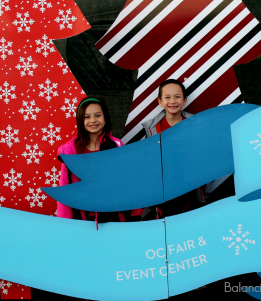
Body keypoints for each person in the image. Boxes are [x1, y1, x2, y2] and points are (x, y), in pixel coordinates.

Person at [55, 97, 142, 225]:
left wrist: (135, 214)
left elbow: (129, 182)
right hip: (83, 222)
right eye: (87, 117)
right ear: (80, 120)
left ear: (105, 118)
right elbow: (65, 191)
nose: (93, 120)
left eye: (97, 115)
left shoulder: (116, 146)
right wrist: (65, 224)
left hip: (115, 219)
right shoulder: (70, 152)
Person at [142, 79, 206, 219]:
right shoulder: (152, 129)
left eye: (177, 96)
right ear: (160, 102)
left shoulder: (195, 125)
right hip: (163, 191)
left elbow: (202, 156)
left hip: (189, 189)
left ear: (184, 100)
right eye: (167, 97)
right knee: (166, 226)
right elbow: (146, 158)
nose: (173, 101)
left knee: (189, 224)